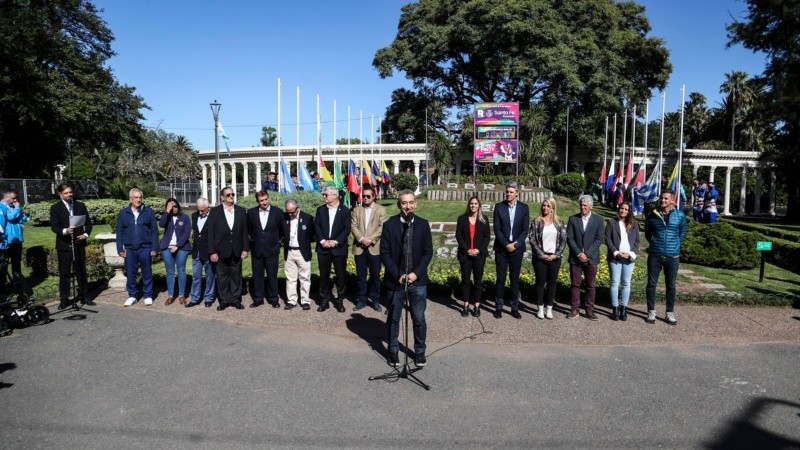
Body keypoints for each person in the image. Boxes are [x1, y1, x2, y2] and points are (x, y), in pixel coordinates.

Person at [381, 189, 433, 368]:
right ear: (399, 205)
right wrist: (399, 275)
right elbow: (385, 253)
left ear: (415, 204)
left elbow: (428, 253)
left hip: (417, 281)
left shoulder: (423, 225)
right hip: (395, 281)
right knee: (394, 318)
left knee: (418, 318)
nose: (408, 206)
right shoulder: (390, 225)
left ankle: (419, 352)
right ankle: (393, 351)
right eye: (404, 203)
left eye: (411, 202)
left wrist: (415, 274)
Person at [644, 190, 688, 325]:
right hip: (655, 254)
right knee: (652, 284)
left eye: (666, 199)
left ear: (672, 200)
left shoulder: (680, 216)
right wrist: (655, 243)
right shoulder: (652, 215)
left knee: (671, 285)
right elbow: (647, 233)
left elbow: (683, 232)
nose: (663, 200)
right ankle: (651, 311)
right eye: (661, 198)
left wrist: (676, 244)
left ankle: (669, 313)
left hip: (672, 256)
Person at [49, 183, 93, 310]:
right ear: (60, 194)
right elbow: (54, 227)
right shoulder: (55, 208)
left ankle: (85, 295)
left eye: (70, 192)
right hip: (64, 244)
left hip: (79, 243)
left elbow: (89, 224)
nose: (69, 195)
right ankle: (64, 299)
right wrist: (65, 231)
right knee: (65, 273)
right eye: (66, 193)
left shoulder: (80, 206)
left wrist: (85, 234)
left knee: (81, 271)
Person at [207, 186, 249, 311]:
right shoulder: (215, 212)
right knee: (222, 277)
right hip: (220, 251)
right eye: (228, 195)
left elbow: (244, 232)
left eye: (233, 194)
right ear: (222, 197)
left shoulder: (241, 211)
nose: (231, 197)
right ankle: (224, 300)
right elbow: (210, 233)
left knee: (236, 276)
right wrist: (212, 251)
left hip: (237, 249)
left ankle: (235, 299)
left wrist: (245, 249)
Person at [492, 182, 529, 319]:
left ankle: (514, 307)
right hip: (502, 249)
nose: (508, 194)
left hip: (517, 250)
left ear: (517, 193)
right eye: (507, 192)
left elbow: (525, 230)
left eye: (511, 192)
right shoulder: (499, 207)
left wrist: (516, 244)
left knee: (515, 280)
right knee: (500, 279)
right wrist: (506, 243)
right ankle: (499, 307)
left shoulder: (524, 208)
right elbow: (497, 228)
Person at [116, 188, 159, 307]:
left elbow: (155, 231)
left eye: (140, 197)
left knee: (147, 272)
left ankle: (148, 295)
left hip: (145, 247)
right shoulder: (123, 213)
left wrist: (154, 248)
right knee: (130, 273)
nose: (138, 200)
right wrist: (120, 248)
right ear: (130, 199)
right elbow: (120, 232)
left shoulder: (148, 212)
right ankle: (132, 295)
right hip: (130, 249)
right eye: (136, 197)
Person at [566, 194, 605, 320]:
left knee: (591, 286)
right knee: (575, 285)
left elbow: (599, 239)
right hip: (576, 258)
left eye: (585, 205)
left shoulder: (598, 220)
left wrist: (587, 254)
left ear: (591, 206)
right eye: (581, 205)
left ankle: (589, 310)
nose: (582, 207)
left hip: (591, 258)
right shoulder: (573, 219)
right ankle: (575, 309)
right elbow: (570, 238)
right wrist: (579, 253)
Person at [528, 197, 567, 320]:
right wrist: (541, 254)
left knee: (552, 283)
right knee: (540, 283)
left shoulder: (559, 222)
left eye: (548, 206)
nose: (545, 208)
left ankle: (549, 308)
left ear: (553, 208)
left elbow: (563, 240)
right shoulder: (536, 222)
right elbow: (532, 239)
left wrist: (556, 254)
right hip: (541, 257)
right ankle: (540, 308)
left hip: (555, 257)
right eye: (544, 205)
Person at [314, 185, 351, 312]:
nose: (324, 196)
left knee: (341, 276)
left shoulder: (345, 211)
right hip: (323, 248)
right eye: (324, 194)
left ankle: (340, 301)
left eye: (326, 195)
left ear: (334, 196)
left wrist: (335, 241)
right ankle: (324, 300)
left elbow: (347, 229)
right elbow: (317, 226)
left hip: (339, 248)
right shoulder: (321, 210)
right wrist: (323, 241)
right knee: (324, 276)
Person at [351, 185, 388, 312]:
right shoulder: (357, 210)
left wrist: (370, 239)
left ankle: (375, 300)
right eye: (363, 196)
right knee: (361, 276)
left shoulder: (381, 210)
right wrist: (361, 239)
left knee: (375, 277)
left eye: (368, 196)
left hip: (374, 248)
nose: (365, 198)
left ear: (374, 197)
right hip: (360, 247)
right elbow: (353, 226)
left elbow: (382, 227)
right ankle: (361, 300)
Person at [246, 190, 283, 308]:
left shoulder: (277, 212)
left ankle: (273, 298)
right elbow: (249, 229)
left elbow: (282, 230)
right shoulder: (251, 213)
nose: (264, 202)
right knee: (257, 276)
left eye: (266, 199)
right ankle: (258, 298)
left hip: (272, 249)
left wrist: (277, 241)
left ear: (269, 199)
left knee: (272, 275)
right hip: (257, 249)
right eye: (261, 200)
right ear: (257, 201)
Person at [455, 196, 490, 317]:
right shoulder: (462, 219)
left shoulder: (484, 219)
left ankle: (476, 306)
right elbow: (458, 235)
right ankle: (465, 305)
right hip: (465, 255)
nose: (473, 206)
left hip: (479, 256)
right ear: (468, 205)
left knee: (478, 282)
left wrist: (478, 249)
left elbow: (487, 237)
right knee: (465, 281)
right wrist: (467, 249)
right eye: (471, 203)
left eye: (475, 203)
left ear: (479, 205)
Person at [605, 201, 640, 321]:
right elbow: (607, 239)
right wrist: (616, 252)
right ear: (618, 209)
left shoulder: (634, 223)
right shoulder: (611, 222)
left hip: (629, 258)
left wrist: (631, 253)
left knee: (626, 283)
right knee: (614, 282)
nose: (623, 211)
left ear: (629, 211)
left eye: (626, 209)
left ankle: (624, 307)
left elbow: (637, 242)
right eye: (622, 208)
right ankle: (615, 307)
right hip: (615, 258)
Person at [282, 199, 314, 310]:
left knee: (305, 277)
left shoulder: (307, 218)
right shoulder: (285, 218)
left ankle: (305, 301)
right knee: (290, 278)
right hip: (289, 251)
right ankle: (291, 300)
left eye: (292, 211)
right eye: (288, 211)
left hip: (302, 251)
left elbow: (312, 235)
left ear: (297, 208)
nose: (290, 214)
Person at [159, 198, 191, 305]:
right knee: (170, 272)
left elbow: (187, 234)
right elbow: (161, 225)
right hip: (167, 248)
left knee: (181, 270)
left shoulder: (185, 218)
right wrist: (167, 211)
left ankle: (182, 295)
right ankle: (171, 295)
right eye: (170, 207)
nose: (173, 208)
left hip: (181, 248)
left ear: (178, 206)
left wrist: (177, 246)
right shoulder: (166, 218)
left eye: (175, 206)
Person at [186, 198, 215, 308]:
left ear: (208, 208)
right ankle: (194, 298)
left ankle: (208, 298)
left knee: (210, 276)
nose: (200, 212)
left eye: (203, 210)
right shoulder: (194, 216)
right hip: (196, 251)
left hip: (209, 251)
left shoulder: (213, 217)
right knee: (196, 277)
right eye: (199, 210)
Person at [0, 190, 28, 279]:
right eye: (13, 198)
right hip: (8, 240)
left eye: (16, 198)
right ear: (6, 197)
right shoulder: (2, 207)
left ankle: (18, 282)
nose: (15, 200)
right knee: (4, 265)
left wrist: (18, 210)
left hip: (17, 239)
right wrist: (16, 210)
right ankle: (3, 285)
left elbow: (23, 218)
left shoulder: (14, 206)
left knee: (16, 263)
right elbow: (10, 217)